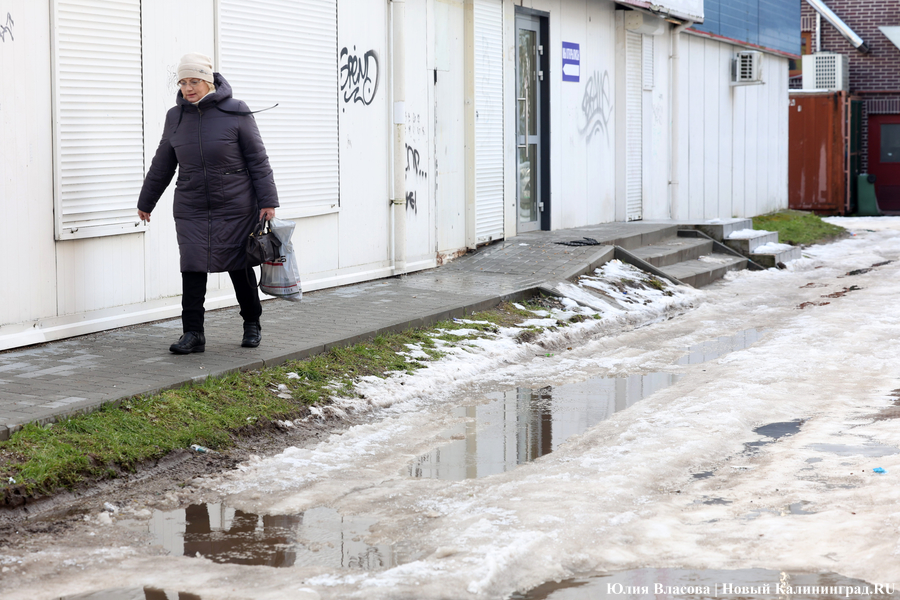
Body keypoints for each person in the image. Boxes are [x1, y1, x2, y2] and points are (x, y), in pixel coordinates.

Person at [137, 53, 278, 354]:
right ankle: (193, 333)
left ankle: (252, 323)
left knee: (240, 266)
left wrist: (268, 200)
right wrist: (146, 200)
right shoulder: (175, 117)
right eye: (183, 82)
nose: (188, 88)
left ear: (209, 82)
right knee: (192, 266)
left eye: (194, 81)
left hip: (236, 204)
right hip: (192, 205)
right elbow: (163, 163)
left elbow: (258, 159)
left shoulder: (236, 111)